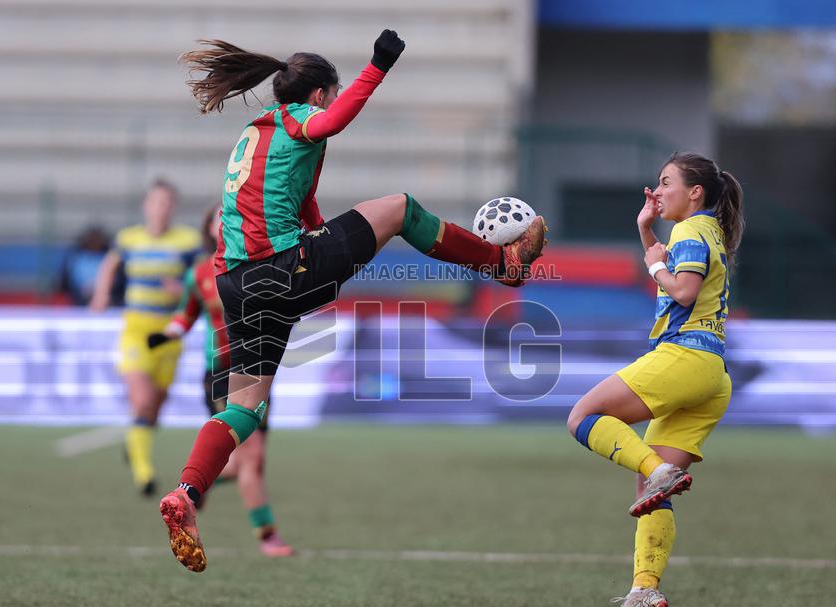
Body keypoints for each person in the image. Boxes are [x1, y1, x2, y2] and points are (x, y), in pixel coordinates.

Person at [159, 29, 548, 572]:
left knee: (244, 409)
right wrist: (378, 66)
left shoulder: (254, 134)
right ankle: (502, 265)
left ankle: (186, 492)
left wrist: (329, 241)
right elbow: (331, 122)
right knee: (399, 208)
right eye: (331, 92)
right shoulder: (300, 119)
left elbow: (307, 206)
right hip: (282, 273)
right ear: (319, 93)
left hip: (236, 287)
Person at [566, 152, 745, 607]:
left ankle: (657, 472)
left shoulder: (689, 233)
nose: (656, 190)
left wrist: (651, 263)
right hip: (712, 376)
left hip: (685, 357)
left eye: (666, 183)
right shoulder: (708, 232)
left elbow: (682, 291)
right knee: (652, 494)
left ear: (696, 193)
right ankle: (643, 589)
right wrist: (647, 231)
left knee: (583, 416)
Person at [150, 204, 294, 557]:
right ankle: (268, 537)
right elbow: (185, 317)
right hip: (222, 373)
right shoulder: (199, 273)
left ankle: (190, 491)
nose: (227, 220)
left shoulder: (260, 264)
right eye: (219, 216)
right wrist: (165, 335)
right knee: (252, 455)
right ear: (210, 228)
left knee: (248, 460)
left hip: (259, 367)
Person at [89, 179, 200, 497]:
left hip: (170, 333)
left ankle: (133, 442)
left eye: (167, 203)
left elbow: (202, 278)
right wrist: (101, 294)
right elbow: (109, 266)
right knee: (142, 400)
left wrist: (182, 290)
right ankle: (144, 473)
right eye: (156, 202)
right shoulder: (129, 238)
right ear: (146, 206)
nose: (161, 209)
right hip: (136, 331)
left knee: (155, 407)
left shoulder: (187, 241)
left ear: (173, 207)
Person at [58, 225, 118, 306]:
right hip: (77, 296)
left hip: (105, 296)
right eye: (92, 238)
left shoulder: (109, 256)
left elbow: (114, 276)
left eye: (97, 239)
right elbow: (68, 279)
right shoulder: (76, 256)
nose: (94, 241)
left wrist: (100, 291)